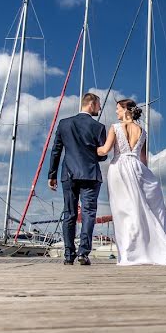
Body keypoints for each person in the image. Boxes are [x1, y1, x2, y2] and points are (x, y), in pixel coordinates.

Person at [96, 99, 166, 265]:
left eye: (117, 109)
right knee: (139, 208)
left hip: (119, 168)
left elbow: (104, 150)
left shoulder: (115, 128)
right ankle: (144, 249)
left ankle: (128, 252)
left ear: (125, 110)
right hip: (138, 168)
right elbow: (144, 159)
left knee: (123, 210)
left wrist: (87, 148)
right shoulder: (143, 131)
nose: (116, 112)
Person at [48, 92, 107, 265]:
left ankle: (68, 255)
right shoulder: (98, 127)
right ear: (91, 104)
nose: (100, 108)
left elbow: (56, 150)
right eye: (98, 105)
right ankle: (83, 253)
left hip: (68, 174)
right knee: (88, 213)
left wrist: (52, 174)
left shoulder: (64, 123)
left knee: (70, 214)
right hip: (90, 174)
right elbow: (102, 155)